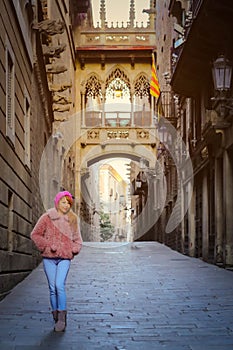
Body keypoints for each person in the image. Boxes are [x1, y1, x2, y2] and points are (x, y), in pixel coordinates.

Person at [31, 191, 83, 332]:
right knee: (52, 288)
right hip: (49, 257)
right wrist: (47, 246)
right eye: (63, 202)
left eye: (68, 203)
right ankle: (55, 314)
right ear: (57, 202)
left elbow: (78, 239)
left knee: (59, 285)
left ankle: (62, 318)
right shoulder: (47, 217)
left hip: (65, 257)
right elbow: (35, 234)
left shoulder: (72, 219)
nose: (66, 205)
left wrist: (74, 249)